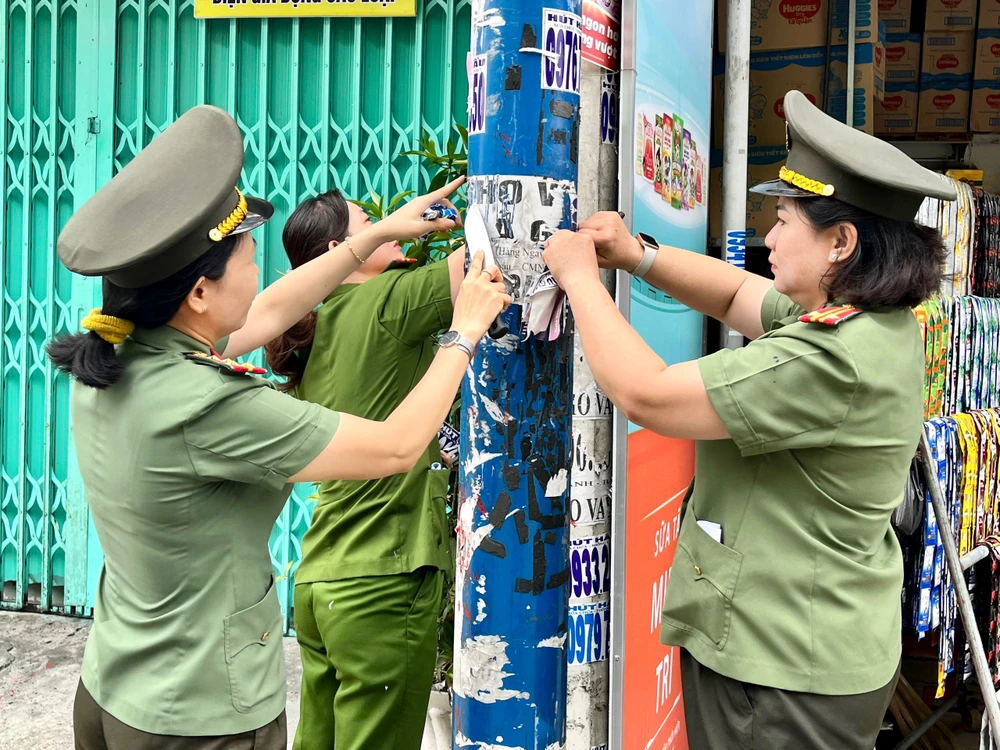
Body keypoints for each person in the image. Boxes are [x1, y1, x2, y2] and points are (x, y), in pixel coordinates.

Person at [48, 104, 510, 750]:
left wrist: (370, 240)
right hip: (199, 714)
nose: (261, 272)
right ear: (200, 295)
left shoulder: (116, 359)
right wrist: (463, 335)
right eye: (249, 258)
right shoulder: (211, 405)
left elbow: (270, 310)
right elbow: (397, 446)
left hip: (115, 687)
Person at [541, 90, 956, 750]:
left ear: (840, 243)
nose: (770, 236)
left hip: (783, 667)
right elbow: (738, 292)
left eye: (786, 220)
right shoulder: (875, 323)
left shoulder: (829, 359)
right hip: (817, 638)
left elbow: (645, 395)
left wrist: (580, 278)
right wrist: (636, 255)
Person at [262, 189, 467, 750]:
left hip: (321, 579)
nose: (388, 224)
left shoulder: (311, 329)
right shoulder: (389, 300)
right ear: (340, 248)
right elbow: (496, 249)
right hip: (383, 577)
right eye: (370, 220)